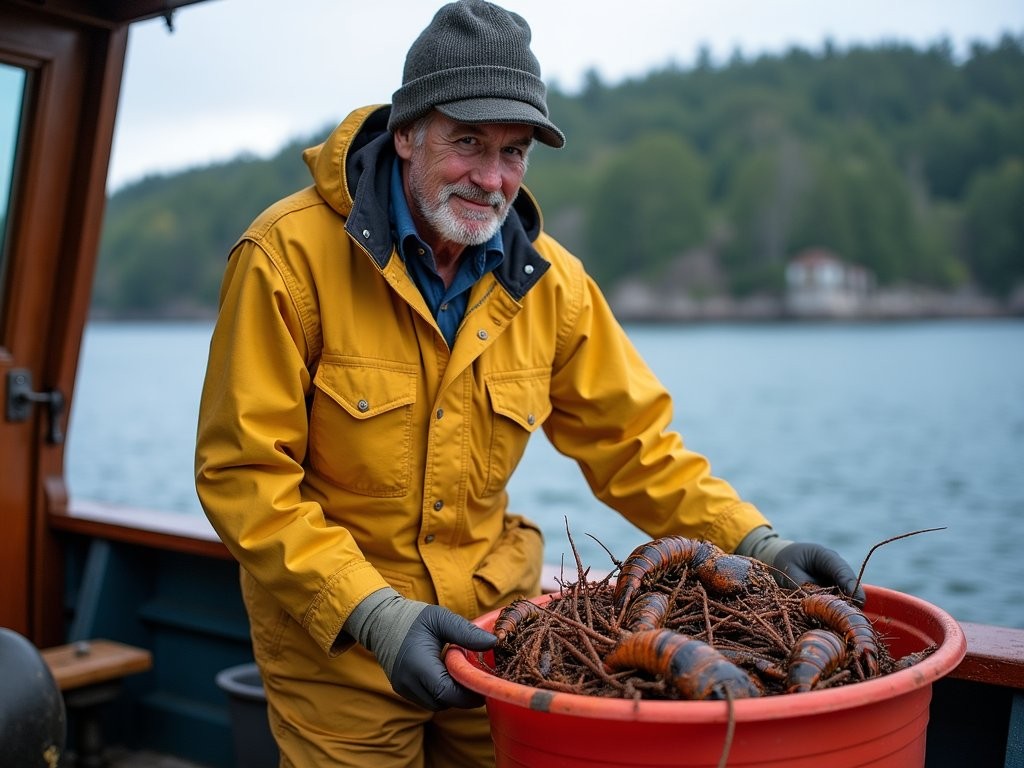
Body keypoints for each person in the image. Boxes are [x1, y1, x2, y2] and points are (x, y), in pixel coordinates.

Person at [195, 1, 865, 765]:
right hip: (339, 646)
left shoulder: (555, 286)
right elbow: (244, 475)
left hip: (497, 636)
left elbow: (636, 448)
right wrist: (376, 616)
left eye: (514, 151)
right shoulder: (284, 258)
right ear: (407, 131)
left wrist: (759, 544)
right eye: (468, 142)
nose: (491, 177)